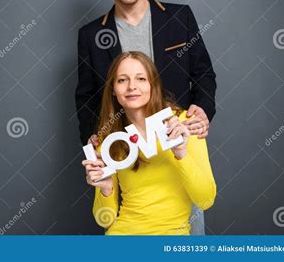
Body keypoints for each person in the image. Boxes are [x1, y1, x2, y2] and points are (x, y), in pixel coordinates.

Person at [75, 0, 217, 234]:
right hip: (127, 152)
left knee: (190, 220)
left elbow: (203, 73)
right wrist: (97, 142)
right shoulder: (91, 35)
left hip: (179, 144)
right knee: (127, 217)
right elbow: (86, 96)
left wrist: (202, 111)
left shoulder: (179, 17)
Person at [81, 51, 216, 235]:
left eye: (141, 79)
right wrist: (106, 188)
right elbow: (104, 218)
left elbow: (205, 200)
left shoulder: (184, 124)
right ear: (113, 89)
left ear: (153, 84)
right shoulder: (109, 140)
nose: (131, 87)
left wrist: (181, 153)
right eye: (122, 80)